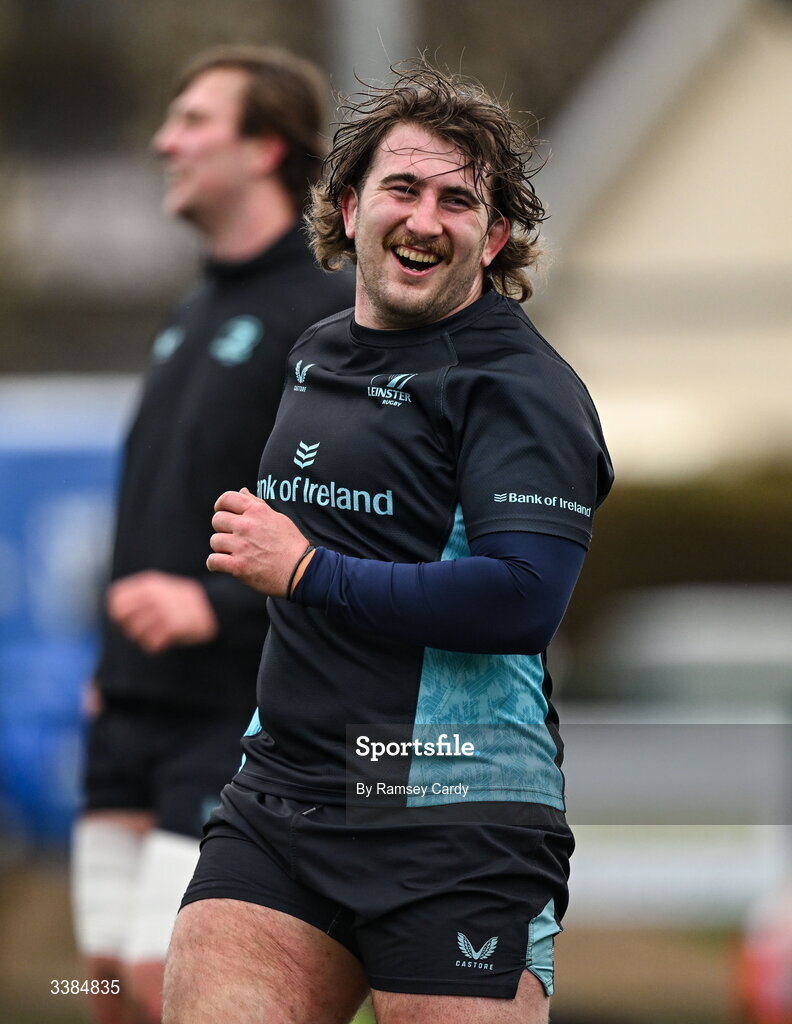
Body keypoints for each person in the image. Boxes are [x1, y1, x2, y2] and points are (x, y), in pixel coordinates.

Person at [162, 61, 614, 1024]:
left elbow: (523, 595)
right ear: (350, 203)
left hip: (456, 818)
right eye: (403, 188)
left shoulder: (517, 386)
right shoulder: (316, 352)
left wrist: (307, 570)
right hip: (282, 798)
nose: (425, 218)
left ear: (493, 239)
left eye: (460, 201)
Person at [71, 45, 354, 1024]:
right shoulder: (192, 313)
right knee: (101, 980)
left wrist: (218, 601)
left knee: (167, 979)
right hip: (130, 708)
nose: (165, 140)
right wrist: (108, 657)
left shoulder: (324, 318)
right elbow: (155, 502)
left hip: (230, 715)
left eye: (193, 121)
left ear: (264, 146)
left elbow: (348, 522)